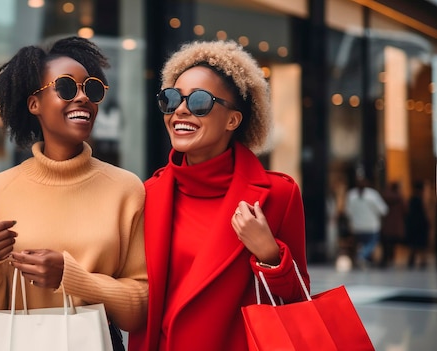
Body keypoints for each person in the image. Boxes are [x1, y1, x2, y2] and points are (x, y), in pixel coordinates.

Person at [0, 36, 147, 351]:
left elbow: (140, 309)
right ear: (34, 104)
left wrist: (70, 276)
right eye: (67, 88)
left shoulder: (125, 188)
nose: (84, 98)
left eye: (93, 89)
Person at [129, 40, 309, 351]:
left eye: (199, 101)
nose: (181, 110)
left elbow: (298, 299)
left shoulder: (279, 194)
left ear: (233, 120)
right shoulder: (147, 194)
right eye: (171, 100)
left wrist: (270, 255)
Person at [344, 176, 388, 268]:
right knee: (372, 243)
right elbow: (384, 210)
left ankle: (361, 257)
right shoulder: (372, 195)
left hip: (357, 227)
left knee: (360, 244)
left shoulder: (351, 195)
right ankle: (361, 256)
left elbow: (347, 212)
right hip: (371, 226)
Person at [379, 181, 405, 268]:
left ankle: (384, 260)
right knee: (393, 245)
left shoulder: (384, 197)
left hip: (386, 224)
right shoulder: (400, 198)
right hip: (395, 225)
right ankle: (391, 260)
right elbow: (405, 210)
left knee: (386, 244)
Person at [405, 180, 429, 269]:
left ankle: (413, 261)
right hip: (419, 225)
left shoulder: (412, 199)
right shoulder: (419, 200)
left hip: (413, 224)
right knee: (421, 245)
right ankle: (422, 261)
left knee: (414, 245)